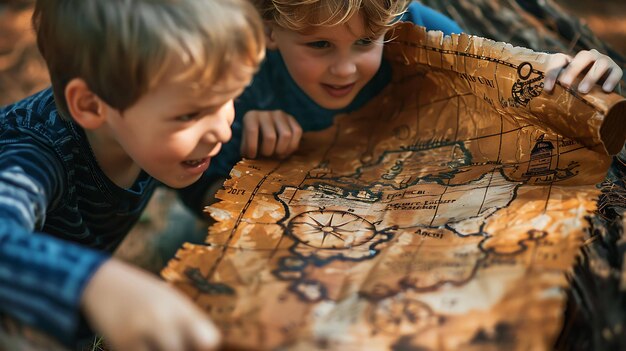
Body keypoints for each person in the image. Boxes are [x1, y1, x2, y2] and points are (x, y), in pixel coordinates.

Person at [0, 0, 264, 350]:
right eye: (189, 115)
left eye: (228, 99)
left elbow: (197, 163)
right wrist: (94, 283)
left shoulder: (144, 115)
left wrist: (221, 189)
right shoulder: (32, 156)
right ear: (92, 106)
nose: (221, 131)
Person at [182, 0, 623, 209]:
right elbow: (190, 187)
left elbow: (509, 81)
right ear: (269, 32)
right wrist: (249, 159)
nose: (344, 69)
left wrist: (578, 78)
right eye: (319, 45)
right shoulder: (240, 78)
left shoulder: (413, 27)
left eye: (364, 43)